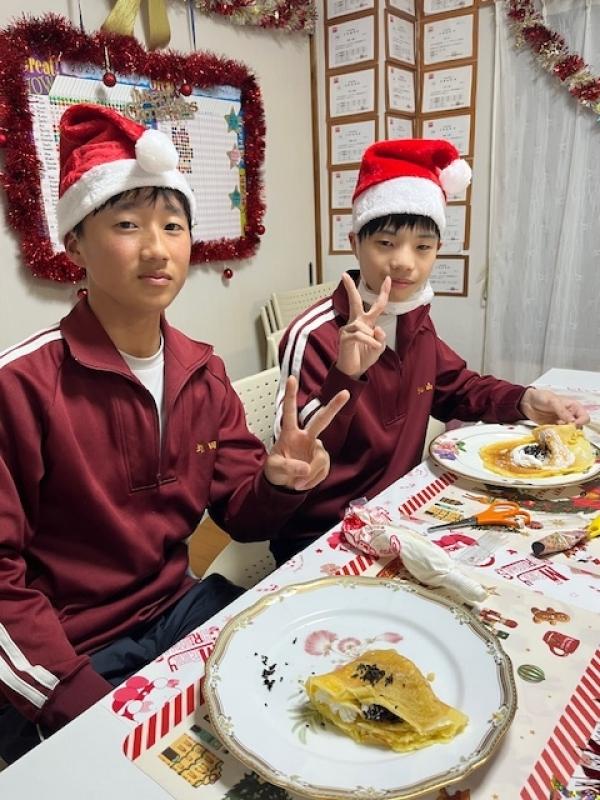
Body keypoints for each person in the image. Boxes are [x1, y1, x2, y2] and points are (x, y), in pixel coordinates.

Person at [0, 104, 348, 763]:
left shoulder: (201, 371)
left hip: (177, 608)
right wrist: (74, 698)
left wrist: (279, 482)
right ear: (75, 243)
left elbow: (240, 517)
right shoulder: (20, 387)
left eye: (173, 225)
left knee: (304, 701)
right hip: (71, 652)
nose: (157, 248)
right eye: (127, 225)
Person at [271, 138, 589, 564]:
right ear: (354, 242)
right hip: (322, 536)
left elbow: (457, 387)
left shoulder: (415, 320)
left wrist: (525, 400)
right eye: (386, 243)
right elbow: (299, 455)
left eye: (422, 246)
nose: (405, 262)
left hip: (400, 512)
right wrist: (346, 374)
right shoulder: (313, 334)